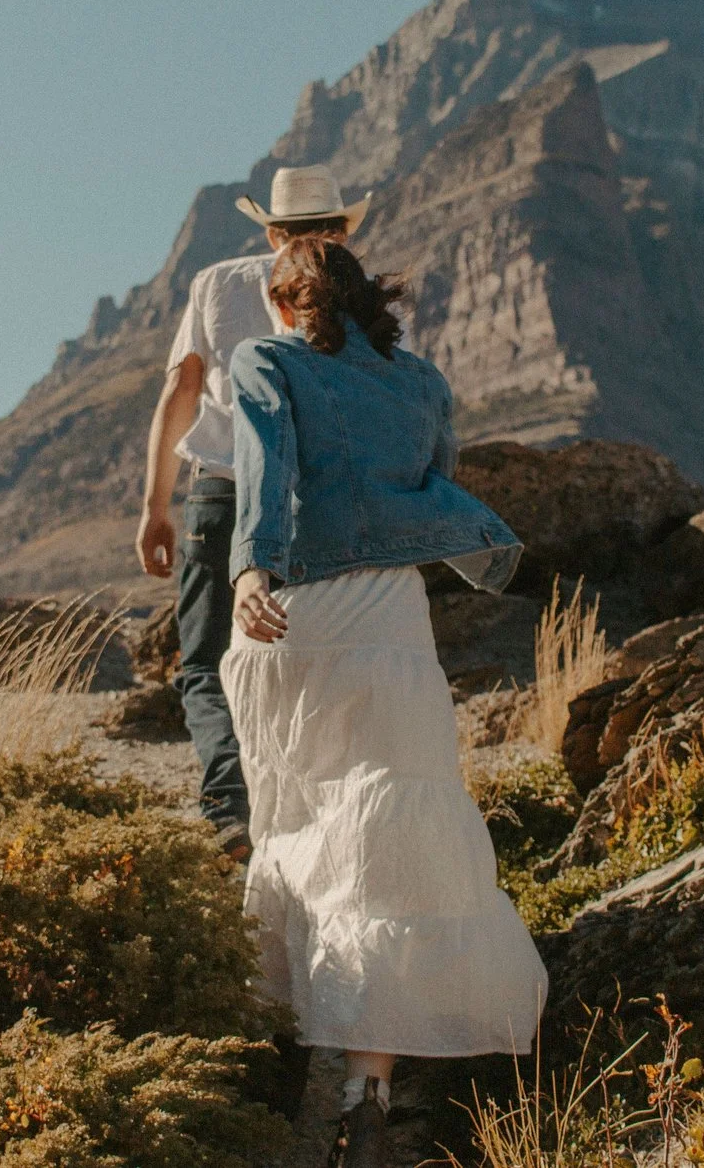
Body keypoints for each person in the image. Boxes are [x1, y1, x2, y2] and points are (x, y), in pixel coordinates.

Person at [224, 234, 547, 1168]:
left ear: (288, 301)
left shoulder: (266, 359)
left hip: (290, 613)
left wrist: (251, 566)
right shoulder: (421, 381)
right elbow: (433, 478)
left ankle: (280, 1053)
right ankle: (368, 1089)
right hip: (391, 618)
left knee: (295, 827)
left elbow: (266, 471)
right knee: (391, 843)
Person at [137, 164, 372, 863]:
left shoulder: (216, 283)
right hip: (315, 497)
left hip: (221, 489)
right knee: (308, 657)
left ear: (272, 230)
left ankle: (230, 810)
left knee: (208, 663)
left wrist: (155, 505)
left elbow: (181, 388)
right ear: (338, 230)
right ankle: (309, 811)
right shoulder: (356, 294)